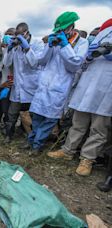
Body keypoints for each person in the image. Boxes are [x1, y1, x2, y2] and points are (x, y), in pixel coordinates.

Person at [48, 19, 112, 176]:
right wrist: (89, 57)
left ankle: (87, 159)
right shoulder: (104, 30)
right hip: (88, 83)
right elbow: (83, 61)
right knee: (78, 122)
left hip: (107, 87)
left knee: (99, 128)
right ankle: (68, 150)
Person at [28, 11, 88, 155]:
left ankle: (37, 145)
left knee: (49, 119)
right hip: (44, 85)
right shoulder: (54, 40)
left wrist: (65, 46)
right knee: (36, 115)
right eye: (59, 30)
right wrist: (49, 46)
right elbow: (41, 61)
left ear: (71, 27)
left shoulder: (82, 43)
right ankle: (31, 140)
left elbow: (74, 64)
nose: (61, 32)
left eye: (63, 29)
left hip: (60, 87)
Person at [2, 23, 43, 143]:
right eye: (16, 35)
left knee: (32, 115)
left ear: (26, 33)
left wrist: (27, 48)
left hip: (32, 86)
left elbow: (34, 63)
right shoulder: (15, 45)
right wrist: (9, 49)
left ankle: (31, 137)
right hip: (18, 85)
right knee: (12, 113)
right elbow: (7, 63)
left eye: (20, 35)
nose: (18, 37)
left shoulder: (37, 44)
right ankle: (9, 134)